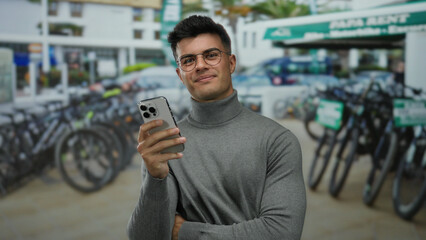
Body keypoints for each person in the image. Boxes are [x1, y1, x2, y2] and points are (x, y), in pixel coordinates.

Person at [127, 15, 306, 240]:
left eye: (211, 55)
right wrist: (156, 178)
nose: (200, 65)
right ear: (180, 74)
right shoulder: (167, 145)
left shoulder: (278, 141)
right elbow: (145, 237)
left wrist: (184, 232)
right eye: (188, 60)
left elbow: (282, 233)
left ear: (231, 63)